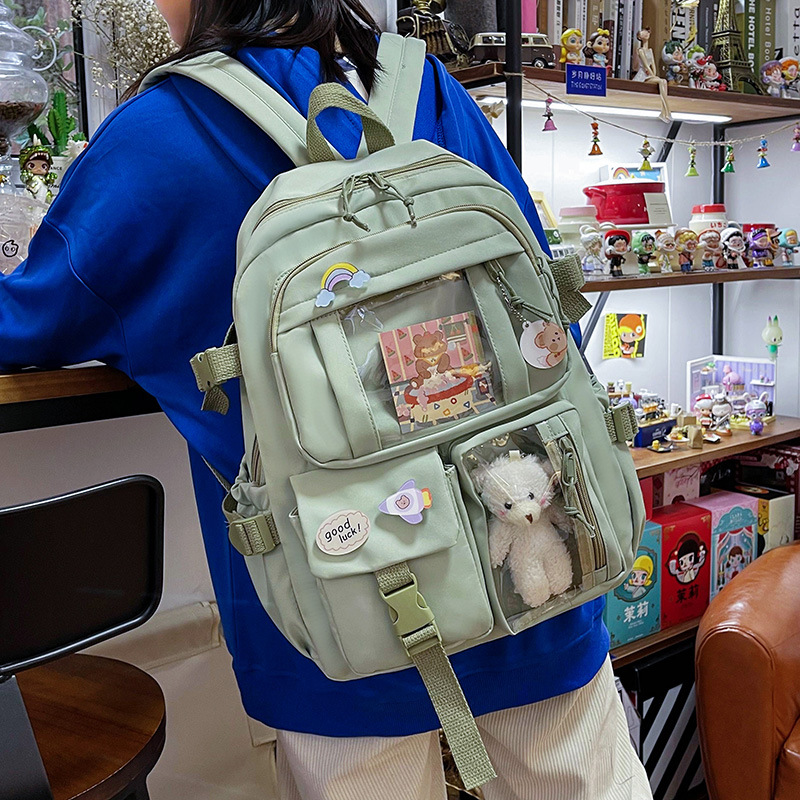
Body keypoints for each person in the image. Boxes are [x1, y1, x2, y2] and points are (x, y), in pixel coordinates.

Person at [0, 1, 652, 797]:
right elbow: (546, 308)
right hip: (532, 551)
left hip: (339, 590)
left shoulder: (157, 134)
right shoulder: (425, 88)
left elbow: (25, 324)